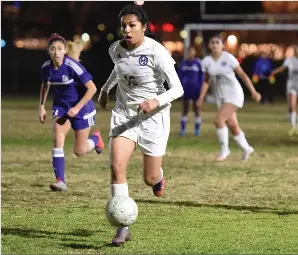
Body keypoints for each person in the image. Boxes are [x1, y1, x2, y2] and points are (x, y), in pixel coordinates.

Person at [97, 4, 183, 246]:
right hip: (125, 114)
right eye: (124, 25)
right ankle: (122, 228)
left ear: (144, 28)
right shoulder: (115, 49)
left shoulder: (157, 52)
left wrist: (155, 101)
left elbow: (178, 88)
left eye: (132, 25)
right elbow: (120, 70)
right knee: (116, 167)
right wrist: (105, 89)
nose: (127, 30)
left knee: (149, 177)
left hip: (154, 118)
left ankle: (158, 178)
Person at [39, 33, 104, 192]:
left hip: (81, 107)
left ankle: (95, 139)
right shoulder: (46, 68)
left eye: (59, 49)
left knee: (79, 151)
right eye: (53, 49)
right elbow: (45, 85)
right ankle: (60, 181)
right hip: (61, 107)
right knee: (57, 140)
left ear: (64, 51)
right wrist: (41, 106)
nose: (56, 52)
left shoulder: (72, 66)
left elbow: (92, 88)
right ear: (48, 51)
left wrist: (77, 108)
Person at [196, 34, 261, 162]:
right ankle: (247, 148)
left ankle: (224, 150)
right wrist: (201, 97)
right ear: (209, 45)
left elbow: (243, 75)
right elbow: (206, 81)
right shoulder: (206, 62)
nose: (215, 45)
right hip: (221, 97)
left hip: (234, 93)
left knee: (219, 120)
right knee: (232, 125)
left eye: (217, 42)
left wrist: (253, 92)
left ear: (222, 45)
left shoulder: (228, 58)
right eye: (212, 42)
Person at [178, 46, 204, 136]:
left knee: (196, 109)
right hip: (186, 90)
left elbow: (202, 77)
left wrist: (201, 89)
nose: (190, 53)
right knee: (185, 109)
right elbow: (179, 76)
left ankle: (197, 130)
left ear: (195, 52)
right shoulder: (183, 63)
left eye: (192, 51)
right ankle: (182, 130)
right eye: (188, 52)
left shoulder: (198, 63)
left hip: (196, 90)